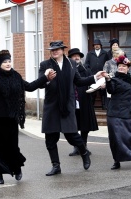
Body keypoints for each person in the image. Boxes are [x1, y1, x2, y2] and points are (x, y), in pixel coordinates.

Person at [0, 50, 56, 184]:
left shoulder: (16, 76)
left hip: (11, 117)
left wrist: (45, 77)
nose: (8, 63)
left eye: (9, 61)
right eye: (5, 62)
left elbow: (30, 87)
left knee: (12, 146)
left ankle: (17, 169)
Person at [39, 41, 105, 176]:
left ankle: (84, 152)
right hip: (52, 106)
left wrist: (95, 77)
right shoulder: (45, 65)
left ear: (63, 50)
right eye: (52, 50)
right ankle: (56, 166)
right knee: (50, 138)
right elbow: (41, 83)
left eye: (57, 49)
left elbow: (79, 81)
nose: (54, 52)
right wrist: (46, 78)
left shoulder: (72, 64)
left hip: (67, 105)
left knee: (72, 136)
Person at [67, 48, 99, 156]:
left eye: (78, 56)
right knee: (74, 125)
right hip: (72, 101)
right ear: (70, 58)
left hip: (85, 100)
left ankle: (84, 146)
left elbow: (91, 82)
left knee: (85, 126)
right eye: (74, 56)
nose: (76, 58)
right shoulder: (67, 69)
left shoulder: (86, 69)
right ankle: (76, 147)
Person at [84, 39, 109, 109]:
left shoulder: (105, 53)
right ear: (93, 46)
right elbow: (86, 64)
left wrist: (105, 72)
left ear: (100, 45)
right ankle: (92, 106)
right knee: (93, 91)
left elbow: (107, 63)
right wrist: (89, 71)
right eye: (95, 45)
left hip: (102, 75)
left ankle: (104, 105)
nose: (96, 46)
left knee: (103, 91)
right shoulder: (90, 53)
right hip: (93, 75)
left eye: (98, 44)